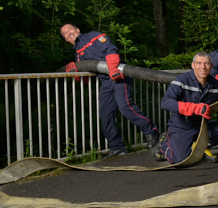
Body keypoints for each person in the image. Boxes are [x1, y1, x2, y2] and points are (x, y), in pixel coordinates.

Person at [60, 23, 159, 157]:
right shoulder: (78, 55)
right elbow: (87, 79)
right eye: (65, 33)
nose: (69, 33)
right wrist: (77, 74)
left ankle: (152, 132)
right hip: (105, 82)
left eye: (70, 29)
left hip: (118, 75)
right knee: (105, 115)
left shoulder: (93, 36)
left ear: (77, 29)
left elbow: (110, 49)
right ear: (66, 39)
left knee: (126, 107)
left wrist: (113, 68)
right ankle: (117, 147)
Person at [153, 52, 218, 164]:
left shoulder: (216, 84)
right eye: (199, 63)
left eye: (206, 63)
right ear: (193, 65)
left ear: (211, 66)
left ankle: (199, 149)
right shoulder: (182, 80)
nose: (203, 67)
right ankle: (164, 145)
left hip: (202, 125)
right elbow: (166, 102)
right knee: (180, 160)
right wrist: (193, 108)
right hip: (182, 126)